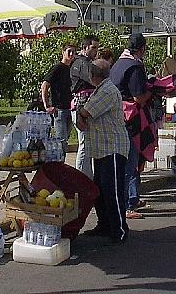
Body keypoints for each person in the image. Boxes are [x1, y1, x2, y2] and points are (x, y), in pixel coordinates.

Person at [76, 59, 130, 244]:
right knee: (100, 190)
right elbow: (82, 115)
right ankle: (105, 224)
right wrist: (80, 114)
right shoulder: (101, 89)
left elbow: (86, 113)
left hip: (112, 148)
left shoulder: (107, 91)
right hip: (101, 148)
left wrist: (80, 113)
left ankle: (119, 229)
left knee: (113, 191)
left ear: (93, 75)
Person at [110, 32, 152, 220]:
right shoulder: (134, 66)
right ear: (142, 49)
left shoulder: (118, 64)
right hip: (130, 120)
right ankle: (126, 205)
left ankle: (132, 198)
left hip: (117, 118)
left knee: (129, 161)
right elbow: (138, 97)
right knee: (131, 162)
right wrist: (152, 92)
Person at [70, 35, 100, 178]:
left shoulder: (80, 62)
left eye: (97, 48)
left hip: (83, 105)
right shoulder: (82, 63)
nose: (96, 51)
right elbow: (94, 81)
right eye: (93, 48)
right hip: (81, 105)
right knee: (84, 143)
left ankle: (86, 175)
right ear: (85, 47)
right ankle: (82, 176)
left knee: (87, 143)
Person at [41, 44, 76, 141]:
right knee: (61, 140)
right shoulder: (57, 68)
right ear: (63, 52)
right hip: (59, 109)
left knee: (66, 138)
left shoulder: (73, 69)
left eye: (73, 52)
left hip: (71, 108)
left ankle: (62, 156)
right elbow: (44, 86)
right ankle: (60, 156)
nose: (71, 54)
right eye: (69, 51)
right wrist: (47, 105)